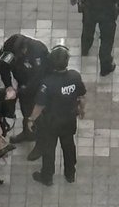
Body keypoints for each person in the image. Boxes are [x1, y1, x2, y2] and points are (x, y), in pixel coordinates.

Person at [29, 45, 86, 186]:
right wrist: (81, 110)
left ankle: (47, 177)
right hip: (69, 120)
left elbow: (39, 106)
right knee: (68, 146)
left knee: (49, 149)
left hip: (51, 122)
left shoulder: (47, 83)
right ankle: (70, 173)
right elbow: (82, 96)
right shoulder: (75, 76)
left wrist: (31, 120)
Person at [0, 34, 50, 144]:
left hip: (40, 86)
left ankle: (42, 143)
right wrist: (9, 87)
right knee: (26, 110)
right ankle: (28, 133)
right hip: (23, 83)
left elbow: (38, 78)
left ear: (24, 49)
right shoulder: (8, 51)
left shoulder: (38, 50)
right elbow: (3, 68)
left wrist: (20, 92)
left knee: (38, 114)